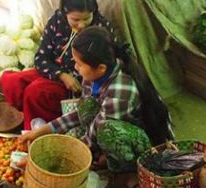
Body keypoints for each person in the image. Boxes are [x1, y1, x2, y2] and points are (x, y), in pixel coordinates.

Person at [20, 27, 173, 172]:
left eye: (79, 64)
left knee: (106, 132)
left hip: (142, 142)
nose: (75, 68)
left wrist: (52, 159)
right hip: (112, 123)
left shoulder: (121, 92)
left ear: (101, 68)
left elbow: (96, 132)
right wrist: (42, 131)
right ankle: (104, 155)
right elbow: (79, 113)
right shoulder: (92, 75)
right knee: (85, 108)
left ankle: (126, 169)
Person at [0, 0, 114, 130]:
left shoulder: (101, 29)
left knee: (35, 92)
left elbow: (100, 69)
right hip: (55, 71)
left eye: (86, 19)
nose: (81, 25)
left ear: (94, 12)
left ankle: (37, 128)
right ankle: (26, 113)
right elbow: (41, 58)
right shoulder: (56, 21)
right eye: (75, 19)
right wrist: (61, 75)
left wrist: (74, 80)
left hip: (78, 83)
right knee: (11, 80)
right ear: (64, 13)